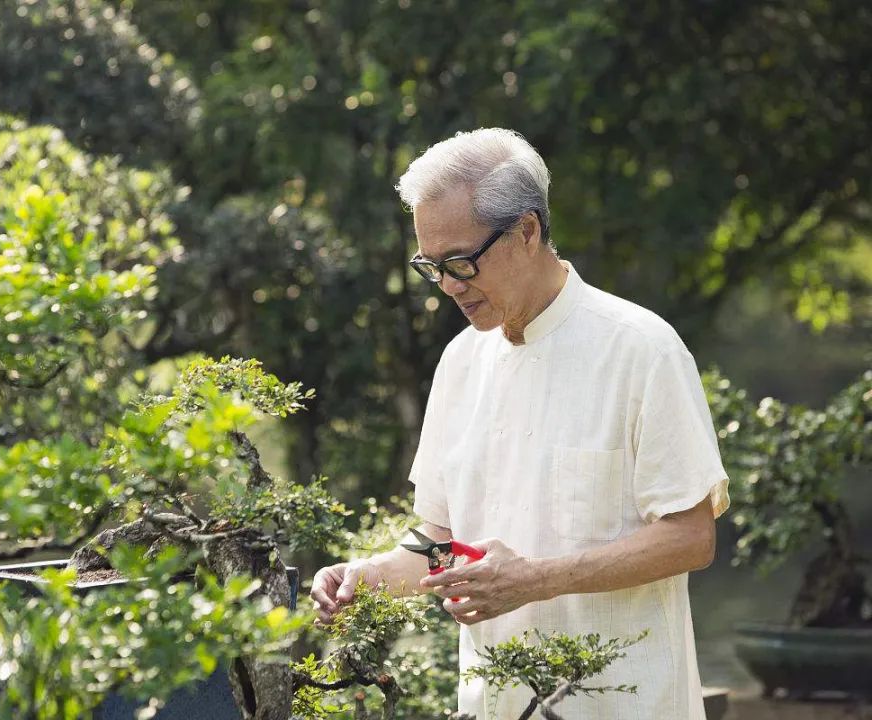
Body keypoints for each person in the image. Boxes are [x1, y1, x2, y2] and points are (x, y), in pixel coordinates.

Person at [309, 128, 729, 719]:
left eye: (461, 262)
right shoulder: (460, 362)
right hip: (492, 702)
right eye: (432, 266)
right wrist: (367, 575)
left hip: (619, 703)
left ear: (527, 231)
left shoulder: (640, 349)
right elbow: (441, 538)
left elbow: (691, 536)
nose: (449, 287)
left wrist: (535, 579)